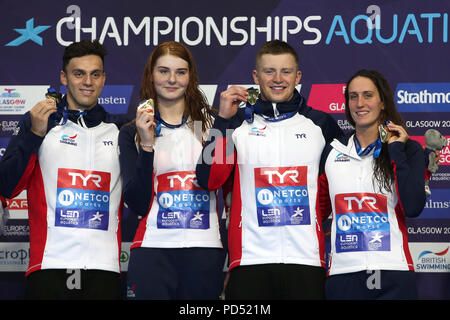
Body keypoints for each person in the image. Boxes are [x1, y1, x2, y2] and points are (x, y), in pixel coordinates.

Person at [196, 40, 342, 299]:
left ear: (298, 76)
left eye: (286, 71)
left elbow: (344, 181)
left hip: (306, 259)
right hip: (250, 261)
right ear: (255, 76)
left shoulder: (321, 124)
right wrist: (223, 121)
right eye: (269, 71)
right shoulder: (237, 122)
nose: (278, 79)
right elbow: (208, 179)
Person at [0, 40, 130, 299]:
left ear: (104, 79)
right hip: (49, 265)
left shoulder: (121, 129)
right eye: (78, 73)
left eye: (95, 74)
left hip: (104, 268)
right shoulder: (38, 122)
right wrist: (34, 135)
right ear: (64, 77)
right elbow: (7, 186)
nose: (87, 82)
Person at [119, 41, 225, 300]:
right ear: (150, 75)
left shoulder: (211, 124)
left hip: (205, 249)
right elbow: (138, 203)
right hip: (153, 249)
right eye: (163, 71)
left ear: (191, 77)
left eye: (181, 72)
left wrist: (224, 127)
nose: (172, 79)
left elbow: (222, 180)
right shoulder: (132, 130)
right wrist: (147, 144)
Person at [316, 69, 426, 299]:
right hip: (343, 273)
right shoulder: (332, 151)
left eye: (368, 95)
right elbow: (319, 211)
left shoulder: (408, 150)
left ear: (382, 102)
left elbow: (413, 206)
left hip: (393, 272)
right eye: (353, 96)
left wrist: (395, 149)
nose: (360, 103)